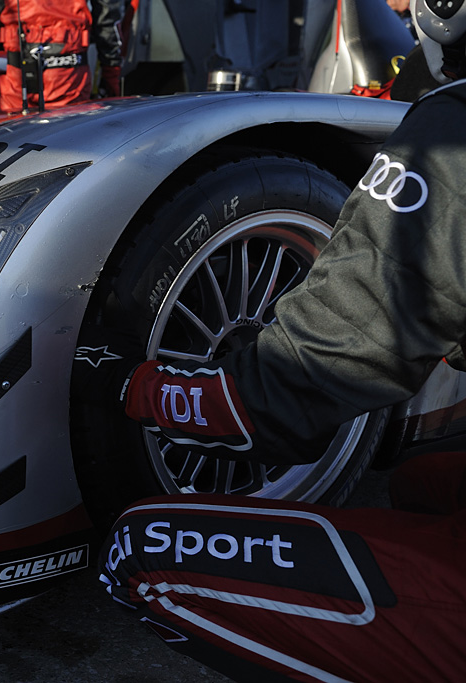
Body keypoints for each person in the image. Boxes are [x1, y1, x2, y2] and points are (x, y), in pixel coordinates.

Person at [99, 1, 466, 680]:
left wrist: (132, 386)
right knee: (422, 479)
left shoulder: (453, 133)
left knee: (140, 550)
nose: (403, 6)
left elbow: (268, 400)